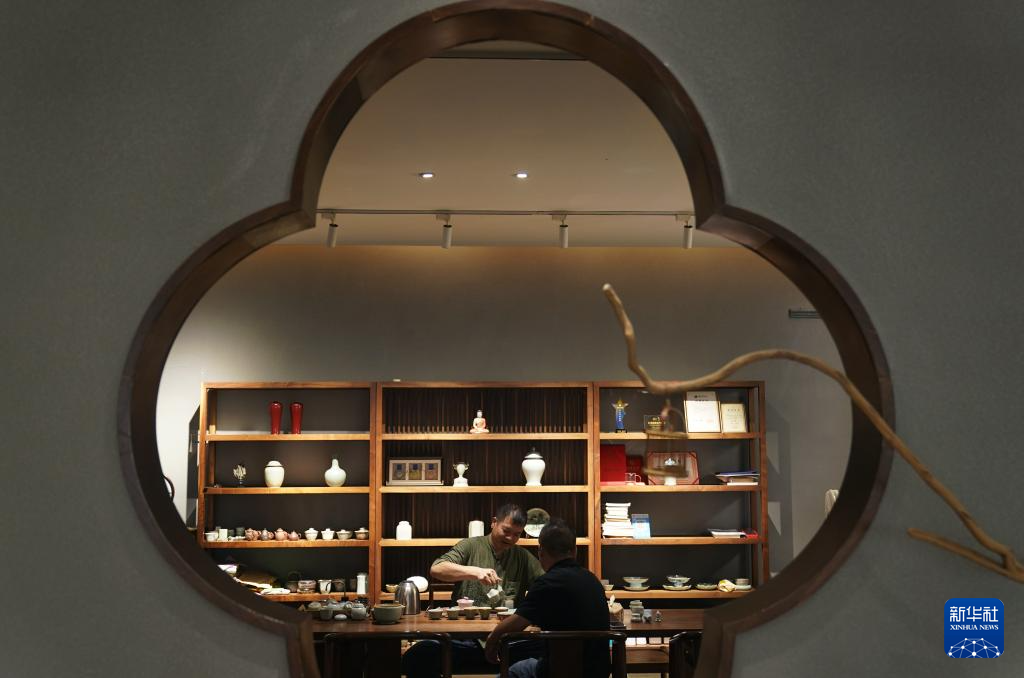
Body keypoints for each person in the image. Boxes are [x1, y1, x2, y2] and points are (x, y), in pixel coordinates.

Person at [402, 504, 545, 678]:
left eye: (517, 534)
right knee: (417, 655)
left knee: (549, 649)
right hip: (467, 640)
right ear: (494, 522)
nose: (511, 538)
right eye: (506, 531)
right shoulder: (471, 545)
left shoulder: (522, 557)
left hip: (506, 641)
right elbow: (437, 569)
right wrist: (475, 572)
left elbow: (545, 586)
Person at [484, 520, 610, 678]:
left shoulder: (547, 583)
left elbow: (513, 625)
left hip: (558, 672)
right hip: (598, 672)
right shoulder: (592, 580)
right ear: (574, 551)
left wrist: (492, 640)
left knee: (514, 671)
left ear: (541, 552)